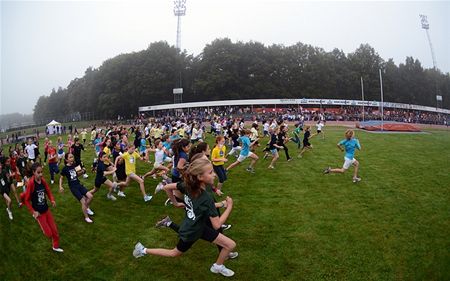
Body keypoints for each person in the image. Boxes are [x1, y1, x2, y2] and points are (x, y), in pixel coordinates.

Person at [133, 158, 237, 277]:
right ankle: (143, 250)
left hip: (199, 226)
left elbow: (167, 187)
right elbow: (217, 225)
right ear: (199, 177)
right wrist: (229, 206)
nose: (214, 174)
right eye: (210, 172)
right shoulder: (206, 198)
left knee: (230, 245)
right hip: (191, 231)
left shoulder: (187, 185)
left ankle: (218, 266)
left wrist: (176, 203)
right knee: (174, 253)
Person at [23, 163, 64, 252]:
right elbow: (26, 200)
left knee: (55, 231)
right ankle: (44, 228)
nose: (41, 174)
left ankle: (55, 246)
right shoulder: (31, 183)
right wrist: (33, 212)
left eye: (42, 172)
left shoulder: (43, 180)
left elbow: (48, 191)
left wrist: (52, 200)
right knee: (49, 234)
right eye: (38, 172)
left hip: (46, 210)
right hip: (39, 213)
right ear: (34, 172)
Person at [59, 153, 94, 223]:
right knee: (83, 201)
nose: (72, 158)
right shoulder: (65, 169)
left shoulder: (75, 165)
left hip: (78, 184)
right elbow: (61, 178)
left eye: (72, 157)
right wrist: (60, 186)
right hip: (73, 187)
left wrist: (83, 171)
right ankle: (86, 217)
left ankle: (86, 207)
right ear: (66, 160)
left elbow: (78, 174)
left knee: (90, 196)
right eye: (70, 157)